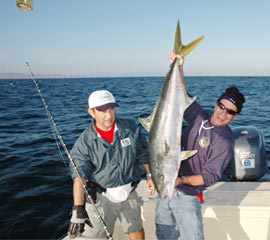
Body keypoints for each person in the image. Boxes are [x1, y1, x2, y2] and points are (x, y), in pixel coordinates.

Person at [155, 52, 245, 240]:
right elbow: (181, 96)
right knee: (163, 232)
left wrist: (181, 181)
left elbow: (209, 177)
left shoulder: (224, 143)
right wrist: (179, 66)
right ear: (216, 104)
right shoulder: (199, 116)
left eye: (230, 112)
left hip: (187, 194)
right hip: (166, 185)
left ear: (235, 117)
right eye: (222, 106)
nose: (223, 113)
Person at [67, 90, 156, 240]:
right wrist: (78, 208)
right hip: (102, 197)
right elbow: (80, 175)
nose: (108, 114)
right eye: (102, 110)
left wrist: (149, 175)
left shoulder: (129, 127)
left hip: (130, 191)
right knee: (103, 234)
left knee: (135, 228)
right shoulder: (85, 141)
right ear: (91, 112)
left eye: (111, 108)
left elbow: (142, 152)